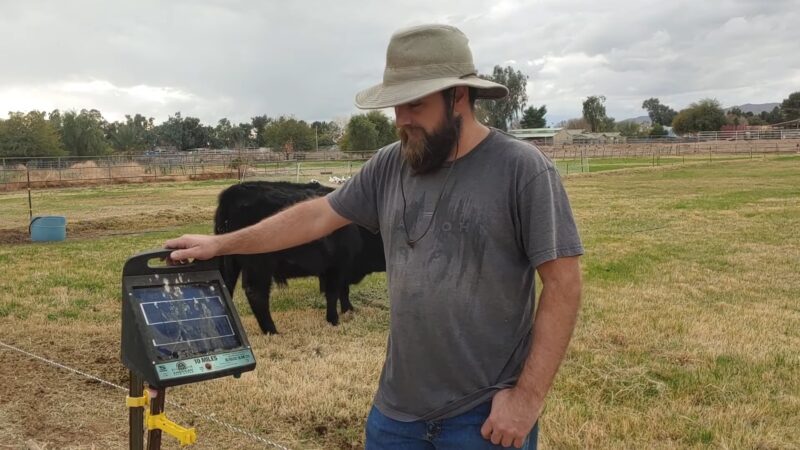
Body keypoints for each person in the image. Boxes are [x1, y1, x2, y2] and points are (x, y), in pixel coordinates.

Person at [166, 24, 583, 450]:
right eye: (396, 106)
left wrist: (526, 401)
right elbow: (315, 217)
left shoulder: (523, 171)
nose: (401, 119)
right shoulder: (390, 164)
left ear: (458, 97)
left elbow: (564, 284)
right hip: (395, 416)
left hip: (484, 418)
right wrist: (221, 244)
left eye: (415, 105)